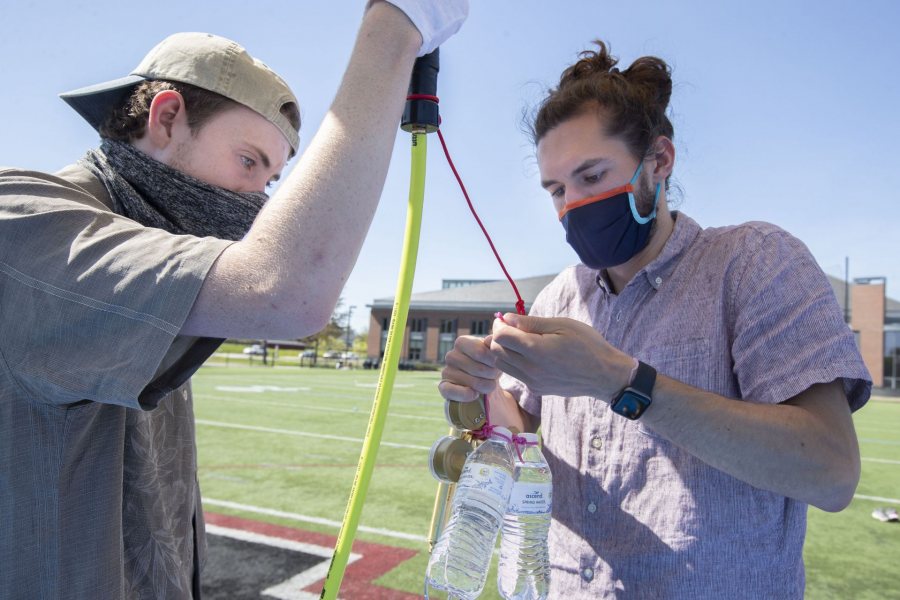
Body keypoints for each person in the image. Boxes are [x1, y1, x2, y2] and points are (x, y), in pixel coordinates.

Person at [0, 1, 466, 597]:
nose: (258, 200)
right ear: (166, 118)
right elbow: (283, 291)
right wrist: (396, 27)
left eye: (270, 178)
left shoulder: (154, 240)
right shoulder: (23, 223)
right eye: (249, 161)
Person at [439, 41, 871, 598]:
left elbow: (832, 473)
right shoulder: (554, 300)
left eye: (591, 176)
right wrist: (480, 390)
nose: (572, 205)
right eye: (556, 189)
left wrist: (619, 380)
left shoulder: (754, 263)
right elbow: (522, 434)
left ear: (659, 161)